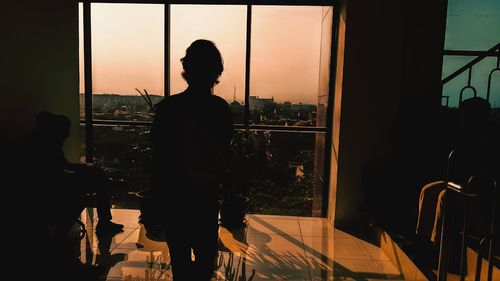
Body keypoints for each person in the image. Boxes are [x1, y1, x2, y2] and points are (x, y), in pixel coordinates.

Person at [151, 39, 234, 281]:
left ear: (187, 70)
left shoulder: (168, 108)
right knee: (206, 259)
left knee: (180, 261)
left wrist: (157, 203)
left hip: (174, 195)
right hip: (204, 196)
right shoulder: (219, 110)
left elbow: (159, 160)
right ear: (216, 72)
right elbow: (224, 159)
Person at [415, 97, 499, 269]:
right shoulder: (467, 136)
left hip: (481, 193)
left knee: (445, 197)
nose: (462, 119)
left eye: (465, 115)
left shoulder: (491, 140)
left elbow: (488, 174)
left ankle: (439, 249)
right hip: (463, 182)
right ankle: (422, 241)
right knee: (429, 190)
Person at [31, 111, 124, 236]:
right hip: (57, 183)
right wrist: (86, 168)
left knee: (97, 175)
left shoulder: (42, 142)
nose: (68, 134)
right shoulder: (50, 145)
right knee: (97, 178)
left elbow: (63, 166)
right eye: (66, 130)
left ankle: (103, 222)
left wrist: (85, 168)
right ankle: (103, 222)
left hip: (54, 182)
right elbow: (64, 166)